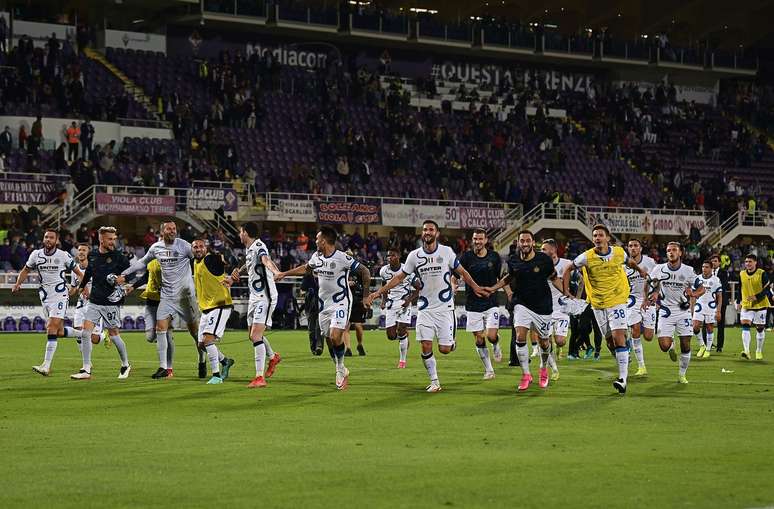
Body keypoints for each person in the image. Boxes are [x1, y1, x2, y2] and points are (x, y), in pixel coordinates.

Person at [366, 220, 488, 393]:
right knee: (425, 346)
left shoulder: (446, 252)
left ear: (437, 233)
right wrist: (379, 292)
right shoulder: (414, 256)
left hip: (444, 307)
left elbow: (462, 272)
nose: (428, 232)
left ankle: (451, 343)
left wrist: (475, 287)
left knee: (444, 349)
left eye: (431, 229)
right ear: (422, 233)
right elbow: (399, 277)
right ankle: (435, 381)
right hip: (425, 308)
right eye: (425, 230)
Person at [277, 226, 371, 391]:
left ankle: (340, 369)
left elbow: (365, 271)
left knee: (336, 336)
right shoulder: (316, 257)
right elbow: (306, 269)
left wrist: (365, 296)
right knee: (329, 339)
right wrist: (285, 273)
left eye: (317, 239)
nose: (315, 241)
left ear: (325, 241)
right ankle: (340, 368)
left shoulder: (342, 258)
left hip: (341, 301)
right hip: (324, 304)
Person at [561, 224, 649, 395]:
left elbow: (628, 261)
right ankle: (624, 352)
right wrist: (566, 292)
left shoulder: (618, 252)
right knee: (610, 343)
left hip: (617, 300)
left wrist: (640, 271)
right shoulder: (586, 257)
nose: (597, 238)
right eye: (595, 235)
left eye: (600, 235)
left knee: (618, 338)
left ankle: (623, 379)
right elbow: (567, 268)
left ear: (608, 238)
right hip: (598, 304)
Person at [486, 231, 564, 391]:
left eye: (528, 240)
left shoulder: (544, 260)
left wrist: (567, 293)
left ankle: (543, 369)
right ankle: (526, 374)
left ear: (532, 242)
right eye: (522, 241)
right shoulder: (513, 260)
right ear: (519, 242)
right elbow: (508, 278)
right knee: (520, 336)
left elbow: (554, 278)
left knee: (544, 342)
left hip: (543, 306)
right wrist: (493, 288)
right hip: (521, 303)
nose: (525, 243)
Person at [121, 221, 200, 379]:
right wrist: (125, 274)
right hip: (167, 296)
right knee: (160, 329)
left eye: (174, 229)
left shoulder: (184, 246)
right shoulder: (156, 248)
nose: (172, 231)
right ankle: (164, 367)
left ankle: (206, 358)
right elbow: (142, 263)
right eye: (169, 229)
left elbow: (200, 259)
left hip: (185, 297)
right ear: (162, 232)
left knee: (196, 333)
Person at [11, 229, 84, 375]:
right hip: (44, 296)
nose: (48, 239)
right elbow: (26, 270)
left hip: (60, 295)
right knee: (59, 331)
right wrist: (18, 283)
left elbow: (79, 273)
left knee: (51, 327)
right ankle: (83, 334)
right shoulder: (36, 255)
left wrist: (78, 287)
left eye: (51, 237)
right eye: (46, 237)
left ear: (56, 240)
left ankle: (46, 365)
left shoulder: (63, 255)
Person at [71, 226, 133, 380]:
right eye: (109, 239)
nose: (113, 242)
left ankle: (125, 364)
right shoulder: (92, 255)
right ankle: (86, 369)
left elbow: (131, 274)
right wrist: (81, 286)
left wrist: (122, 279)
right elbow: (89, 273)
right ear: (101, 239)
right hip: (94, 301)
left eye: (114, 238)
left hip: (110, 302)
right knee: (86, 333)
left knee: (114, 335)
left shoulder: (119, 257)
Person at [229, 222, 282, 388]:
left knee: (256, 336)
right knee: (252, 336)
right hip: (254, 296)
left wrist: (276, 272)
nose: (239, 235)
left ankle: (259, 378)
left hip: (265, 297)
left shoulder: (259, 246)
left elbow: (265, 259)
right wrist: (237, 272)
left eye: (240, 232)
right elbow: (251, 263)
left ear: (245, 233)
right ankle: (273, 357)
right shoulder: (250, 248)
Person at [646, 242, 704, 384]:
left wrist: (694, 293)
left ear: (680, 253)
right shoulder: (659, 269)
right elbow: (651, 284)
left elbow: (702, 289)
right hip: (666, 311)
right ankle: (671, 345)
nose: (671, 252)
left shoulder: (688, 271)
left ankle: (681, 375)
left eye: (674, 250)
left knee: (685, 345)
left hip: (683, 312)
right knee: (664, 346)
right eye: (668, 250)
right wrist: (654, 293)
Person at [457, 229, 503, 380]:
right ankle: (489, 370)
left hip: (491, 302)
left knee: (490, 335)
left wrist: (508, 292)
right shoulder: (466, 257)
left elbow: (501, 277)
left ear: (486, 240)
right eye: (475, 239)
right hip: (473, 304)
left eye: (480, 239)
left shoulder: (494, 257)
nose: (477, 242)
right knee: (478, 338)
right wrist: (453, 284)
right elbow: (456, 274)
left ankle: (496, 343)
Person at [192, 239, 235, 384]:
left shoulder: (210, 259)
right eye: (195, 247)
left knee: (208, 340)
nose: (198, 249)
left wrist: (224, 260)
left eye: (201, 247)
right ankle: (225, 361)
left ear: (206, 248)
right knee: (201, 345)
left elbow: (224, 262)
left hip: (219, 305)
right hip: (206, 308)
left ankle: (216, 375)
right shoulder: (195, 262)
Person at [378, 247, 420, 368]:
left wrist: (409, 300)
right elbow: (384, 285)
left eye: (392, 255)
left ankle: (402, 361)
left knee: (401, 331)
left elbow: (418, 287)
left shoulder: (407, 270)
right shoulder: (383, 271)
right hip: (391, 304)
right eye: (388, 256)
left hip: (404, 303)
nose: (389, 258)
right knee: (391, 336)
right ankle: (404, 337)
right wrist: (383, 300)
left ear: (398, 256)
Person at [540, 238, 573, 380]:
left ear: (553, 250)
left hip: (562, 309)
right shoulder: (539, 265)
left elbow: (582, 278)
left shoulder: (566, 264)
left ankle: (558, 348)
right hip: (544, 309)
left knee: (560, 341)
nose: (541, 252)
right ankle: (552, 369)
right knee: (545, 342)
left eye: (543, 249)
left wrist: (575, 297)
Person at [624, 239, 657, 376]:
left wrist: (656, 293)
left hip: (648, 299)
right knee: (635, 329)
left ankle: (670, 341)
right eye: (630, 246)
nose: (633, 248)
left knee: (649, 336)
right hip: (631, 300)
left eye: (635, 246)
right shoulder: (623, 265)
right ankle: (641, 366)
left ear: (641, 248)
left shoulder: (650, 262)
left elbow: (657, 280)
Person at [70, 243, 104, 349]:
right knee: (79, 334)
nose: (81, 252)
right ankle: (87, 363)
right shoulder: (74, 270)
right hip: (81, 305)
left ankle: (104, 335)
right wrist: (65, 293)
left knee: (94, 338)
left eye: (84, 250)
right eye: (79, 250)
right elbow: (73, 288)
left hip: (94, 305)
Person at [738, 254, 770, 360]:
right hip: (746, 305)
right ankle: (746, 351)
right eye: (746, 261)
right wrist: (738, 301)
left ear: (755, 262)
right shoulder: (742, 274)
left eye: (750, 261)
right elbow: (740, 288)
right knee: (745, 325)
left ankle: (758, 350)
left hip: (760, 304)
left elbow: (766, 290)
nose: (747, 263)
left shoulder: (762, 273)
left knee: (760, 328)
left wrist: (756, 297)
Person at [692, 260, 723, 358]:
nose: (704, 269)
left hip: (710, 306)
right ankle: (702, 345)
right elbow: (692, 295)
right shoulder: (697, 278)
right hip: (699, 305)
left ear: (711, 268)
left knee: (710, 327)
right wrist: (691, 308)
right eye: (703, 267)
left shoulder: (716, 280)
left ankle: (708, 349)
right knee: (695, 326)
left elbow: (720, 296)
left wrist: (718, 310)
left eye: (706, 267)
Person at [344, 256, 368, 356]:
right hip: (346, 301)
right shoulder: (342, 270)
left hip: (356, 300)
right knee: (346, 326)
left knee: (357, 325)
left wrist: (365, 298)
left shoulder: (358, 271)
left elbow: (366, 283)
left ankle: (359, 344)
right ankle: (348, 348)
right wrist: (346, 283)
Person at [709, 254, 729, 352]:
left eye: (715, 261)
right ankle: (707, 344)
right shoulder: (706, 272)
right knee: (707, 323)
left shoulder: (724, 273)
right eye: (712, 261)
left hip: (722, 301)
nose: (713, 263)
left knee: (720, 324)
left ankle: (719, 346)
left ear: (719, 262)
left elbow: (724, 286)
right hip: (708, 302)